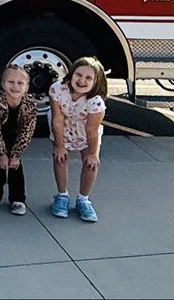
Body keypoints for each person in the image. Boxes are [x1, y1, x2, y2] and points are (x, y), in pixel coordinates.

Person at [49, 56, 108, 223]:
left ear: (96, 81)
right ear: (71, 74)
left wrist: (92, 153)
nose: (82, 80)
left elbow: (92, 130)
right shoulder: (57, 89)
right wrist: (59, 146)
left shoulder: (95, 102)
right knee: (60, 158)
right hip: (64, 125)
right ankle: (62, 196)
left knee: (90, 163)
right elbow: (57, 120)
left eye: (88, 78)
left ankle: (83, 199)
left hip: (85, 128)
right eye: (78, 75)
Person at [0, 66, 36, 216]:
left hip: (18, 135)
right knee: (0, 164)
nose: (15, 86)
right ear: (3, 83)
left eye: (20, 83)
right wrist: (1, 153)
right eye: (11, 82)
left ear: (27, 87)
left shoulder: (30, 103)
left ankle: (18, 198)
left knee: (15, 166)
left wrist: (16, 154)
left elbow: (28, 130)